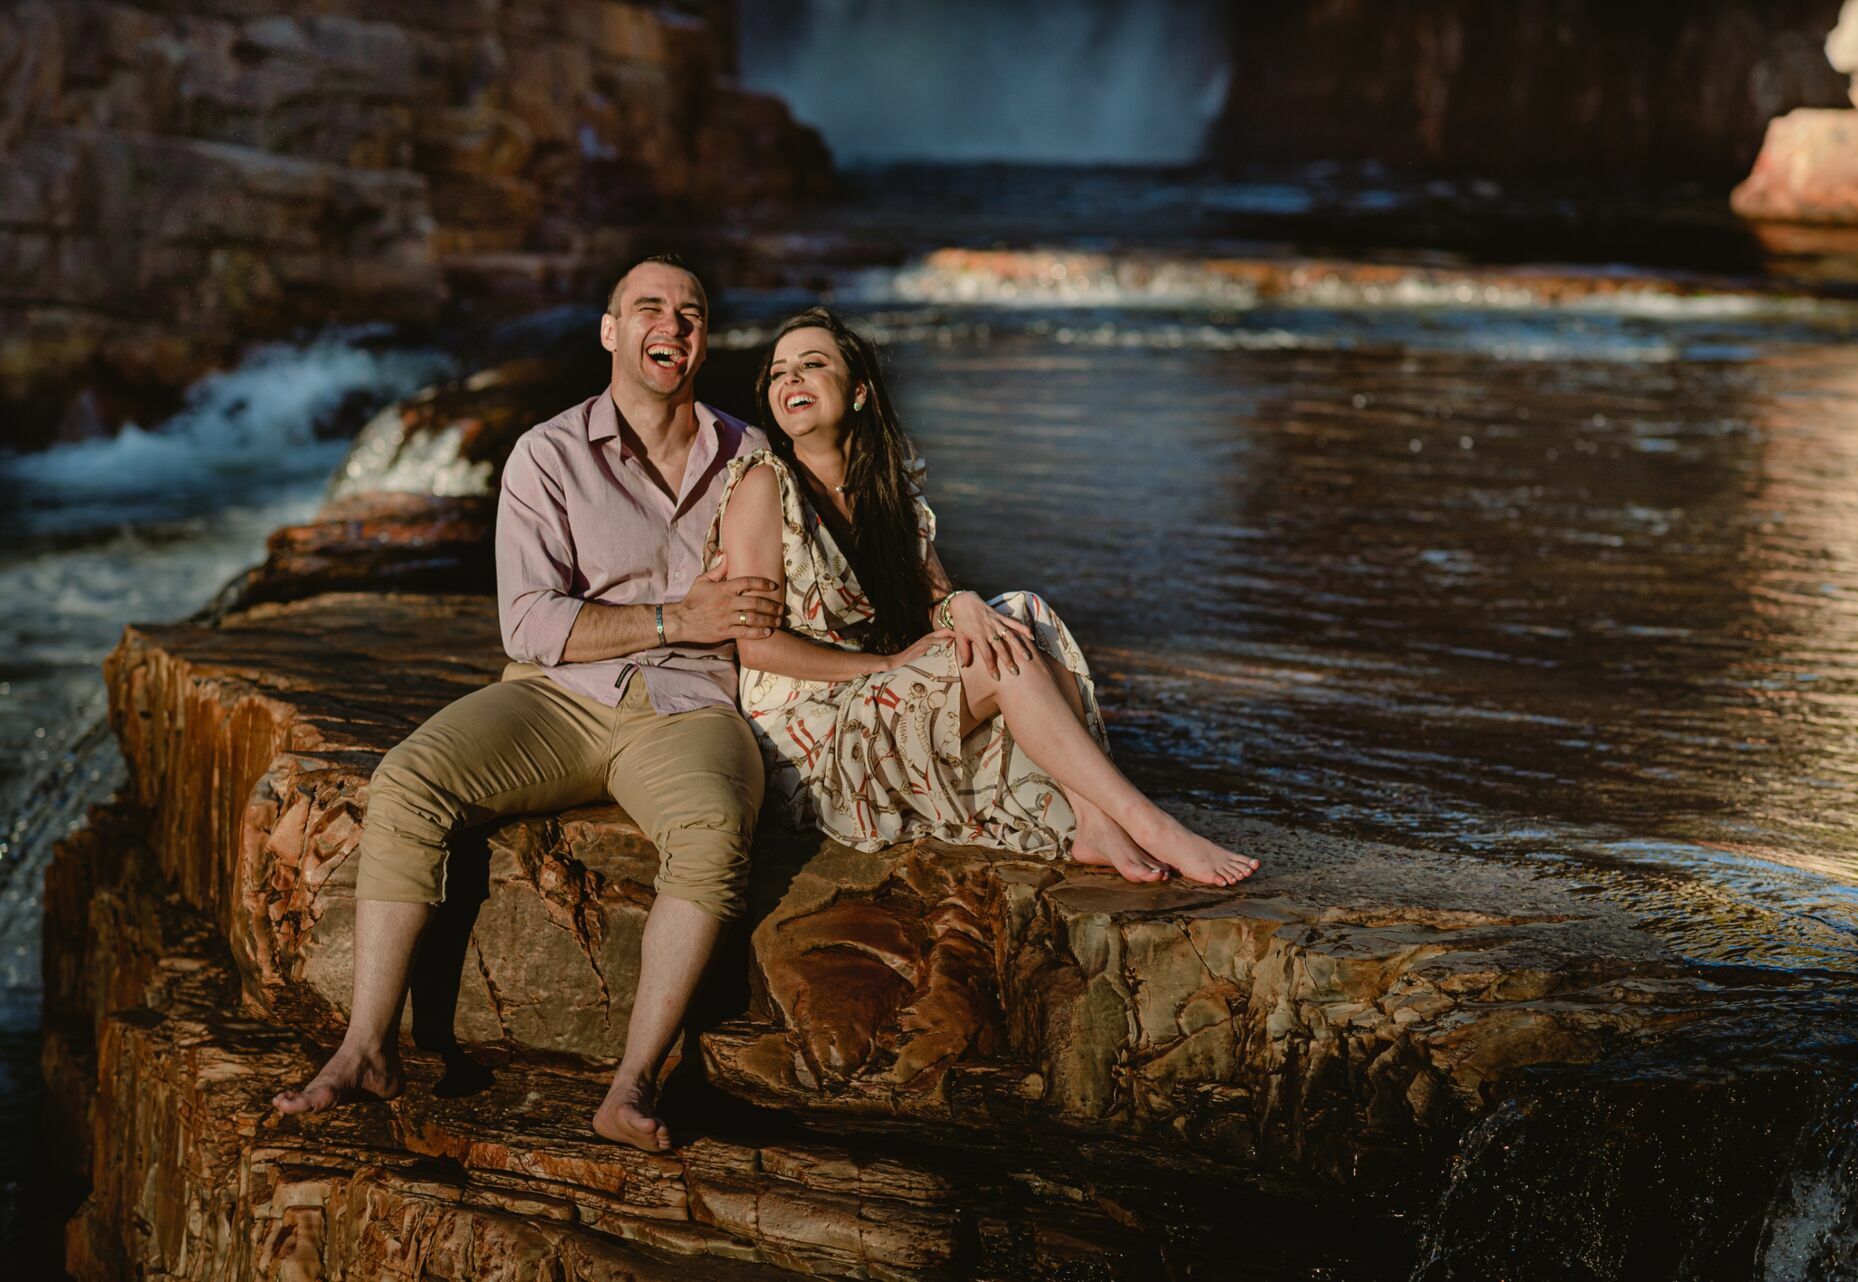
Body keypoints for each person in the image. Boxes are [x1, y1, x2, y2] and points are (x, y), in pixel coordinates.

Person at [273, 254, 784, 1153]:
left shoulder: (750, 457)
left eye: (692, 312)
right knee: (410, 780)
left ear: (706, 338)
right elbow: (529, 623)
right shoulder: (547, 454)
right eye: (651, 308)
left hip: (693, 708)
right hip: (561, 699)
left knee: (713, 832)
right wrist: (677, 613)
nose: (674, 325)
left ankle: (631, 1088)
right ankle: (366, 1049)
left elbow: (825, 562)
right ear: (612, 332)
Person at [706, 308, 1260, 887]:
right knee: (995, 655)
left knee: (1019, 613)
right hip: (811, 735)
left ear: (861, 391)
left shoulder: (886, 488)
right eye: (777, 373)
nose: (790, 379)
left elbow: (936, 600)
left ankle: (1095, 820)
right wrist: (888, 664)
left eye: (812, 365)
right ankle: (1146, 821)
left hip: (876, 698)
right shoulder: (764, 484)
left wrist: (960, 604)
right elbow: (757, 646)